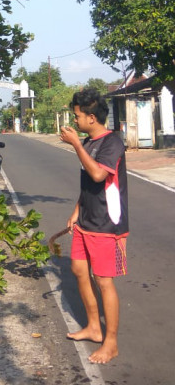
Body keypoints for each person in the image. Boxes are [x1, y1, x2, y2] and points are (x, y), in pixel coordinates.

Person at [60, 88, 129, 364]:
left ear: (91, 117)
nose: (74, 121)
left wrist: (76, 144)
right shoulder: (89, 142)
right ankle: (93, 327)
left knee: (103, 281)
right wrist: (76, 211)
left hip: (105, 223)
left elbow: (99, 174)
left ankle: (111, 342)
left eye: (77, 116)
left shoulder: (112, 142)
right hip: (86, 220)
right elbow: (87, 183)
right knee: (78, 270)